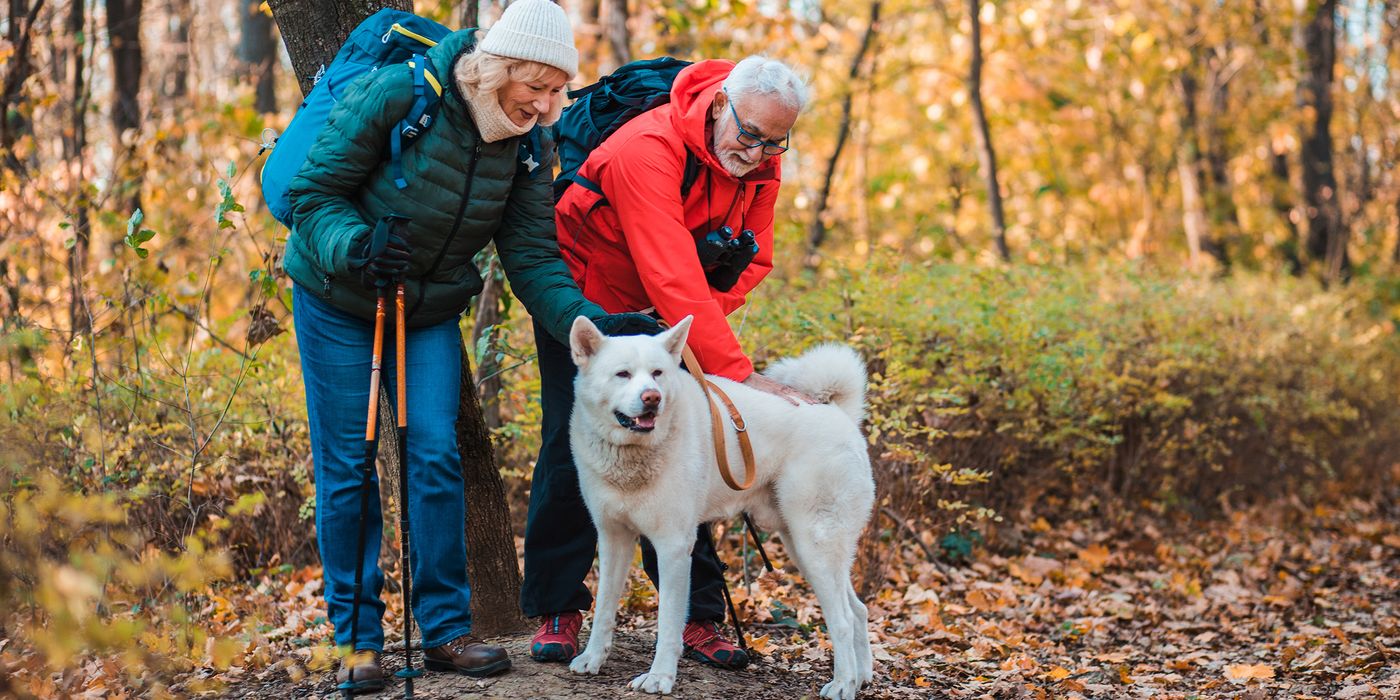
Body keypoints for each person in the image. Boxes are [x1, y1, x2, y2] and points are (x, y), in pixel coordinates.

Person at [284, 0, 630, 691]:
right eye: (538, 85)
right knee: (348, 466)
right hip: (339, 296)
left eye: (558, 89)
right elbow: (310, 194)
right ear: (501, 68)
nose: (548, 102)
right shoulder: (402, 94)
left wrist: (601, 332)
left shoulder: (531, 143)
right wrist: (356, 245)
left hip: (427, 306)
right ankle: (356, 641)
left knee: (436, 456)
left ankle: (443, 630)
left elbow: (532, 258)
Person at [522, 56, 812, 670]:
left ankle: (697, 619)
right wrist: (736, 370)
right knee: (572, 441)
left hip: (668, 310)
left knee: (677, 448)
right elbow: (669, 270)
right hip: (588, 297)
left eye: (775, 140)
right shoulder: (647, 147)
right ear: (719, 105)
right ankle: (557, 606)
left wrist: (687, 328)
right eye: (750, 134)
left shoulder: (761, 162)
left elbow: (754, 260)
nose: (759, 151)